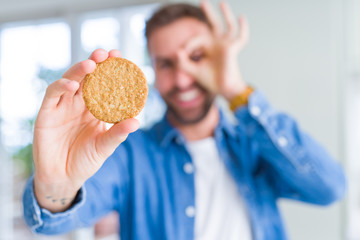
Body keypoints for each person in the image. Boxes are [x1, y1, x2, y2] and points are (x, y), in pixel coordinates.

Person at [23, 1, 346, 240]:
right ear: (152, 69)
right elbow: (54, 219)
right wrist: (57, 186)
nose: (182, 78)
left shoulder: (255, 145)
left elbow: (329, 187)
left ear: (218, 57)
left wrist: (235, 90)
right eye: (165, 63)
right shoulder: (128, 152)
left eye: (196, 57)